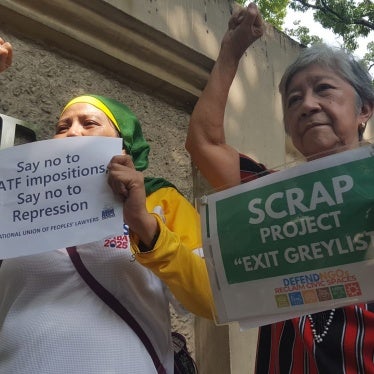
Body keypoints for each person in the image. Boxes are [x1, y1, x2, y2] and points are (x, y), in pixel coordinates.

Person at [0, 38, 213, 374]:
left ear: (122, 143)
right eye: (62, 127)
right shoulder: (15, 204)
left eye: (89, 123)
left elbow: (210, 299)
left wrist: (144, 224)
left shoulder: (162, 200)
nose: (72, 133)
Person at [186, 2, 374, 373]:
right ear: (288, 126)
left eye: (324, 89)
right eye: (293, 100)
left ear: (364, 109)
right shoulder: (265, 196)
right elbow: (203, 143)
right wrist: (232, 50)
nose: (308, 105)